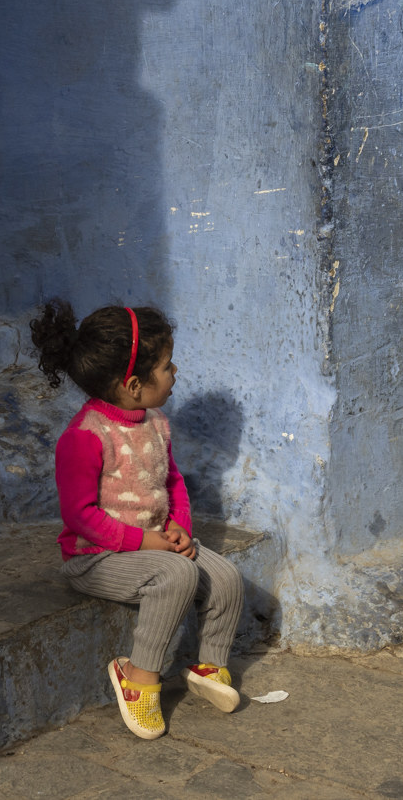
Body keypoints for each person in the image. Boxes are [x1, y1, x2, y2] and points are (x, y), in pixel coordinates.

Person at [30, 299, 245, 740]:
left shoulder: (156, 422)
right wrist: (148, 543)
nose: (174, 371)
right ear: (132, 384)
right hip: (97, 558)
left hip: (155, 543)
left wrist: (179, 526)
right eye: (166, 366)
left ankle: (209, 666)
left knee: (225, 577)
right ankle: (139, 675)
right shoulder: (84, 437)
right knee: (177, 575)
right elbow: (79, 516)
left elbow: (172, 482)